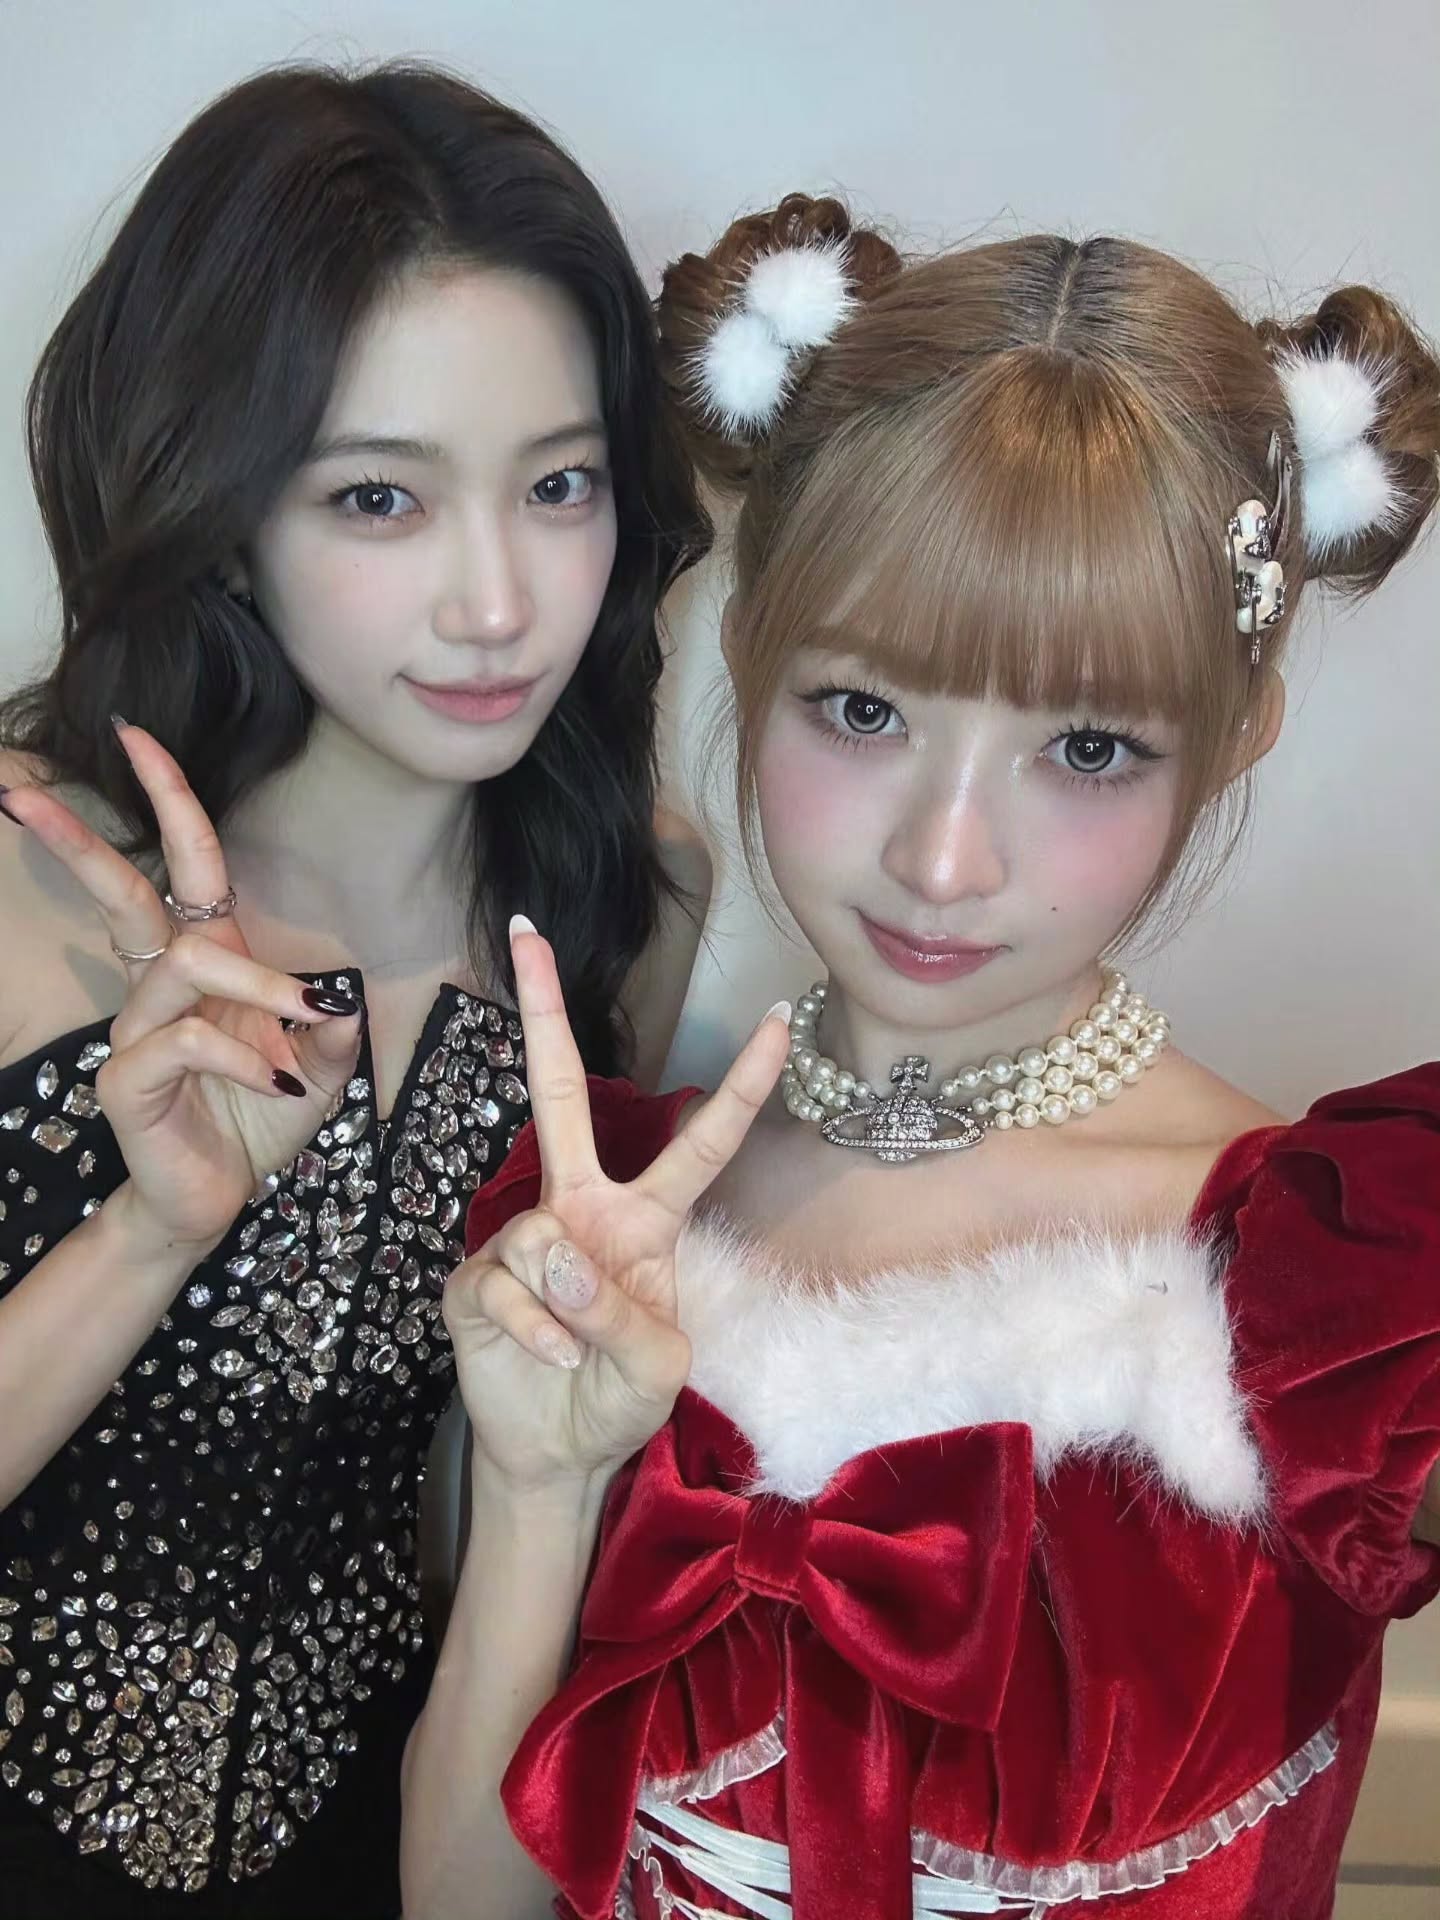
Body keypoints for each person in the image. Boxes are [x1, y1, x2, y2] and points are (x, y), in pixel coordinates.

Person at [401, 196, 1440, 1919]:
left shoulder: (1346, 1283)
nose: (943, 861)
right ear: (750, 649)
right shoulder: (607, 1209)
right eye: (864, 711)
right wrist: (533, 1478)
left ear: (1234, 735)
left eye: (1087, 748)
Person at [0, 62, 712, 1916]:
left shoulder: (621, 900)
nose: (499, 603)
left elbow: (494, 1497)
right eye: (381, 497)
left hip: (394, 1840)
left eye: (558, 484)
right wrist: (148, 1234)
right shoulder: (21, 872)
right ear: (227, 511)